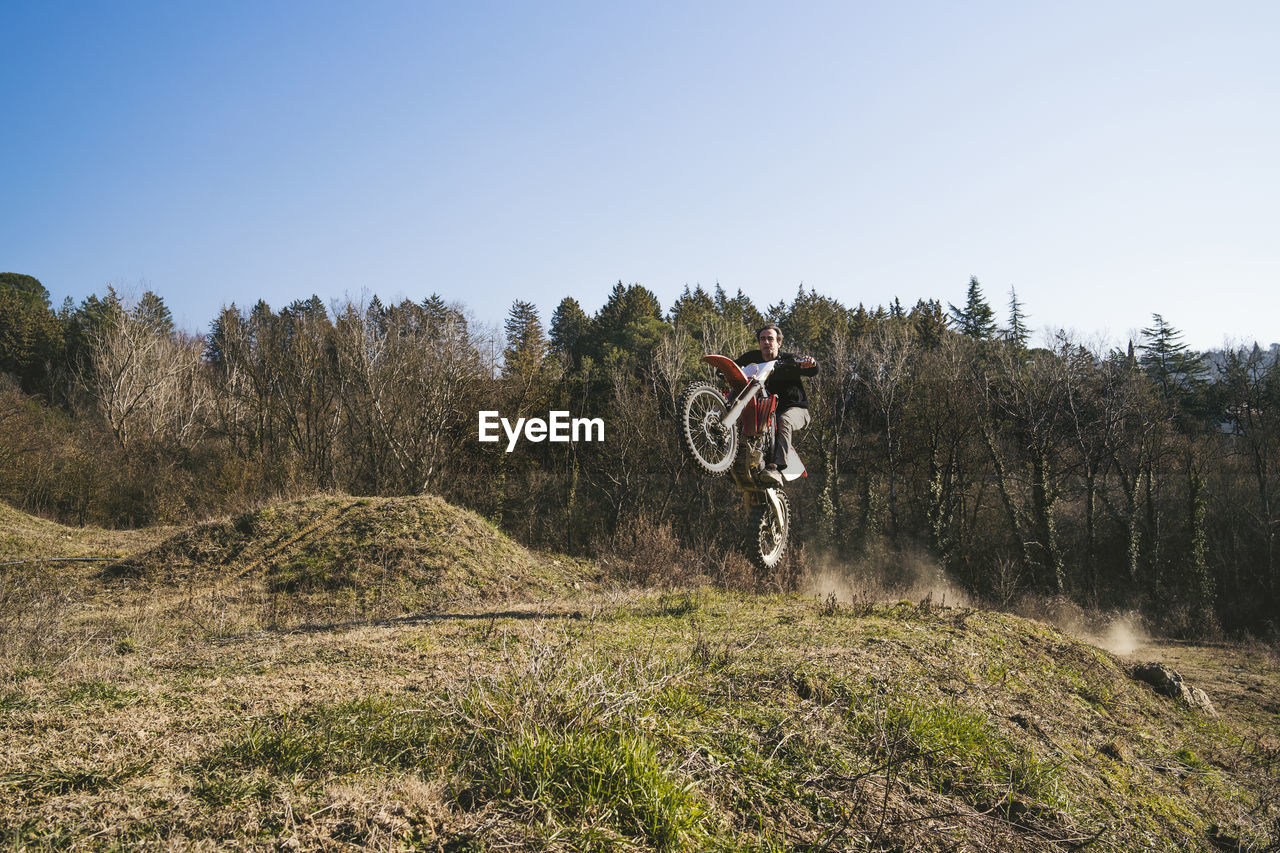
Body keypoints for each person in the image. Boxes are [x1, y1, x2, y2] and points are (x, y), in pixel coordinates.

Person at [735, 323, 818, 486]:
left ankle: (776, 467)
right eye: (762, 339)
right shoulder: (752, 358)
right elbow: (733, 366)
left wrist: (810, 363)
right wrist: (723, 370)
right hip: (766, 412)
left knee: (783, 420)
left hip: (796, 410)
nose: (766, 342)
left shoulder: (788, 359)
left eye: (770, 339)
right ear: (759, 343)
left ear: (778, 343)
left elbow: (812, 370)